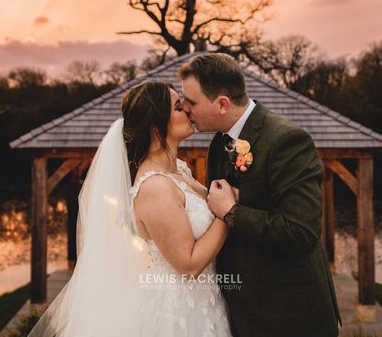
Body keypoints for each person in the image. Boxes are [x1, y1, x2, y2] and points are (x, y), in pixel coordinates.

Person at [29, 80, 233, 337]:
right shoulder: (155, 187)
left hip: (205, 300)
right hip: (178, 314)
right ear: (156, 125)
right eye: (179, 107)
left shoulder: (179, 170)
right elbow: (188, 264)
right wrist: (229, 213)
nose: (189, 111)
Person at [178, 53, 342, 337]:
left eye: (191, 102)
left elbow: (301, 233)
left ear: (222, 104)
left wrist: (232, 212)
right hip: (245, 311)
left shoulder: (287, 141)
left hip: (290, 315)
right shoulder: (219, 142)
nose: (184, 108)